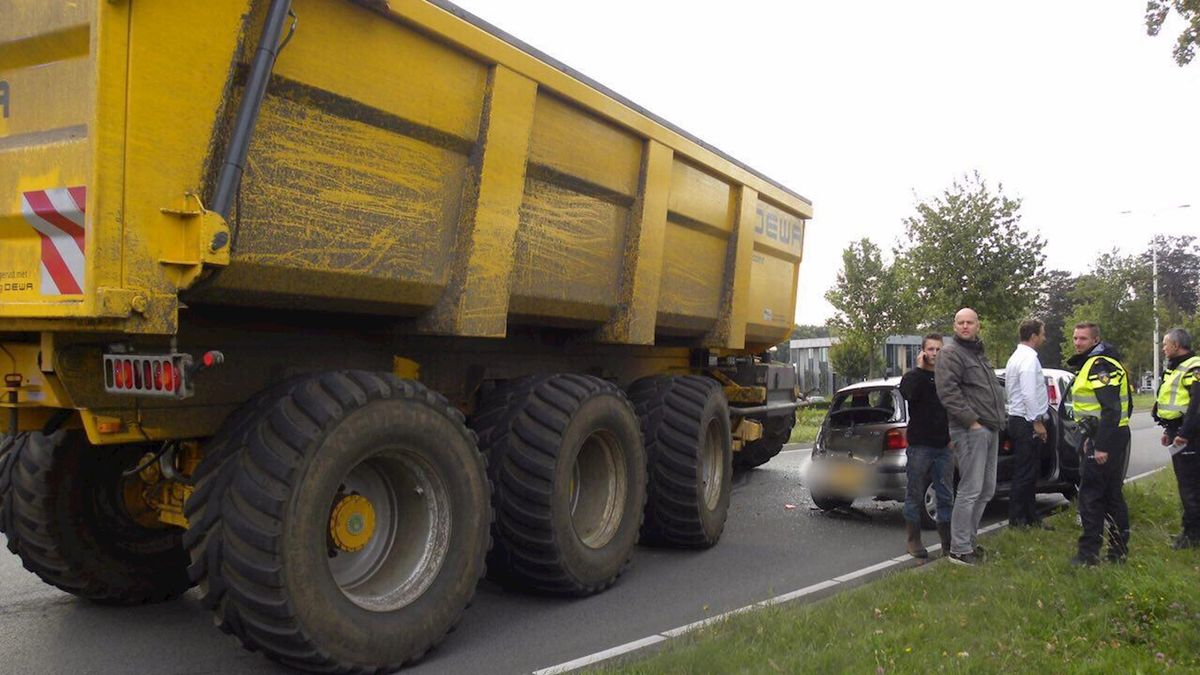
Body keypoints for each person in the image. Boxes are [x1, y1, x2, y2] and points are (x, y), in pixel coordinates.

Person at [935, 308, 1006, 566]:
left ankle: (969, 543)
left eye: (970, 322)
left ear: (978, 325)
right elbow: (947, 392)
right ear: (954, 326)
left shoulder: (978, 354)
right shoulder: (951, 353)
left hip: (990, 428)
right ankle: (959, 550)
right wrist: (972, 422)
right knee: (970, 489)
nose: (965, 326)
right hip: (970, 430)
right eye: (960, 323)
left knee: (986, 489)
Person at [1067, 322, 1132, 566]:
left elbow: (1111, 409)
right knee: (1110, 494)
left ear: (1095, 341)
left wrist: (1101, 446)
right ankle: (1118, 552)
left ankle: (1088, 554)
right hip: (1104, 436)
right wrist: (1088, 439)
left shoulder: (1099, 366)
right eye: (1075, 338)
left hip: (1107, 438)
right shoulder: (1097, 363)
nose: (1077, 342)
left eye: (1082, 338)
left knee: (1092, 497)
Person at [898, 333, 955, 559]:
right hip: (920, 445)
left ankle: (947, 544)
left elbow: (953, 405)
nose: (934, 353)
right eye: (930, 349)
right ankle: (913, 540)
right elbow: (907, 392)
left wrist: (952, 437)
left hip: (943, 446)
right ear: (923, 352)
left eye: (938, 349)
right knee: (914, 493)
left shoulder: (946, 377)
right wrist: (919, 369)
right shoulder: (915, 377)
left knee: (945, 494)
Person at [1152, 328, 1200, 549]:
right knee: (1185, 484)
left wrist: (1184, 434)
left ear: (1177, 345)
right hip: (1177, 431)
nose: (1163, 348)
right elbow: (1175, 403)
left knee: (1191, 486)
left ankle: (1193, 536)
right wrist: (1168, 430)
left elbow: (1196, 406)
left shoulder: (1194, 367)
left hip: (1189, 435)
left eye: (1165, 344)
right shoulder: (1176, 367)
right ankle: (1188, 530)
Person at [1004, 319, 1052, 529]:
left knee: (1029, 471)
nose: (1044, 338)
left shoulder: (1017, 357)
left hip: (1019, 418)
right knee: (1024, 472)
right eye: (1042, 334)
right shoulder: (1029, 360)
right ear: (1033, 336)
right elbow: (1029, 394)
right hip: (1025, 420)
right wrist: (1037, 422)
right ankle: (1018, 520)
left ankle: (1030, 516)